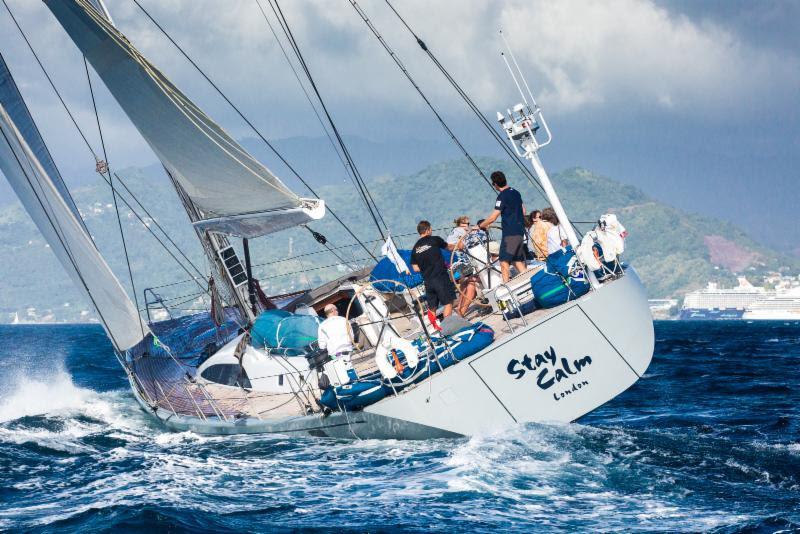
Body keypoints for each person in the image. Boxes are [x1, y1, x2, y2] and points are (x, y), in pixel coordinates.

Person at [478, 171, 527, 282]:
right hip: (520, 231)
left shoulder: (501, 197)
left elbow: (493, 218)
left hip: (510, 233)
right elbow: (523, 211)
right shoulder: (516, 192)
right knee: (516, 260)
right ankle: (529, 280)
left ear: (495, 184)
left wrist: (480, 226)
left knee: (503, 260)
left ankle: (506, 287)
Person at [411, 220, 457, 317]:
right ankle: (447, 328)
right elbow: (448, 247)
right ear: (427, 230)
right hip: (440, 278)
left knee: (432, 308)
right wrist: (458, 245)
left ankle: (434, 329)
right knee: (448, 303)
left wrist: (426, 267)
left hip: (428, 282)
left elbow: (415, 268)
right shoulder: (434, 239)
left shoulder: (415, 248)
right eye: (431, 229)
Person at [447, 216, 478, 316]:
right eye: (466, 224)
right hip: (464, 264)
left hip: (457, 265)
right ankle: (462, 312)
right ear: (460, 225)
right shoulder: (460, 231)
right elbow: (454, 246)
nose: (467, 226)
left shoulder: (454, 232)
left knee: (464, 286)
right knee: (472, 285)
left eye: (468, 224)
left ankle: (460, 310)